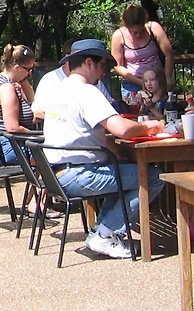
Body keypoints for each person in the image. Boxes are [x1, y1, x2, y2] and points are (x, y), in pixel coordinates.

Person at [39, 38, 166, 260]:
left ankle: (103, 230)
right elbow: (121, 129)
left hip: (56, 173)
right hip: (79, 173)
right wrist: (149, 126)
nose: (103, 73)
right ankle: (105, 234)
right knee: (155, 176)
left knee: (125, 170)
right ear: (89, 63)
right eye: (102, 66)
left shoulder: (59, 90)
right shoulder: (87, 92)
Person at [0, 43, 37, 164]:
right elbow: (12, 127)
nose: (30, 73)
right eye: (29, 69)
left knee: (49, 152)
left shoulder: (4, 79)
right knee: (52, 154)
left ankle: (38, 182)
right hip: (0, 146)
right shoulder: (7, 88)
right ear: (17, 68)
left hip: (4, 143)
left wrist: (23, 79)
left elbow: (34, 102)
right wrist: (35, 136)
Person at [34, 39, 115, 118]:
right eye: (102, 66)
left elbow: (109, 105)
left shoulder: (96, 82)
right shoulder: (50, 79)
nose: (103, 73)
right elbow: (37, 113)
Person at [110, 4, 174, 99]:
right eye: (134, 32)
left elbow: (169, 54)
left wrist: (166, 79)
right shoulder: (118, 36)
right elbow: (117, 65)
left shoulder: (154, 28)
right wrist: (141, 82)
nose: (138, 35)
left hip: (157, 82)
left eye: (142, 31)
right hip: (132, 84)